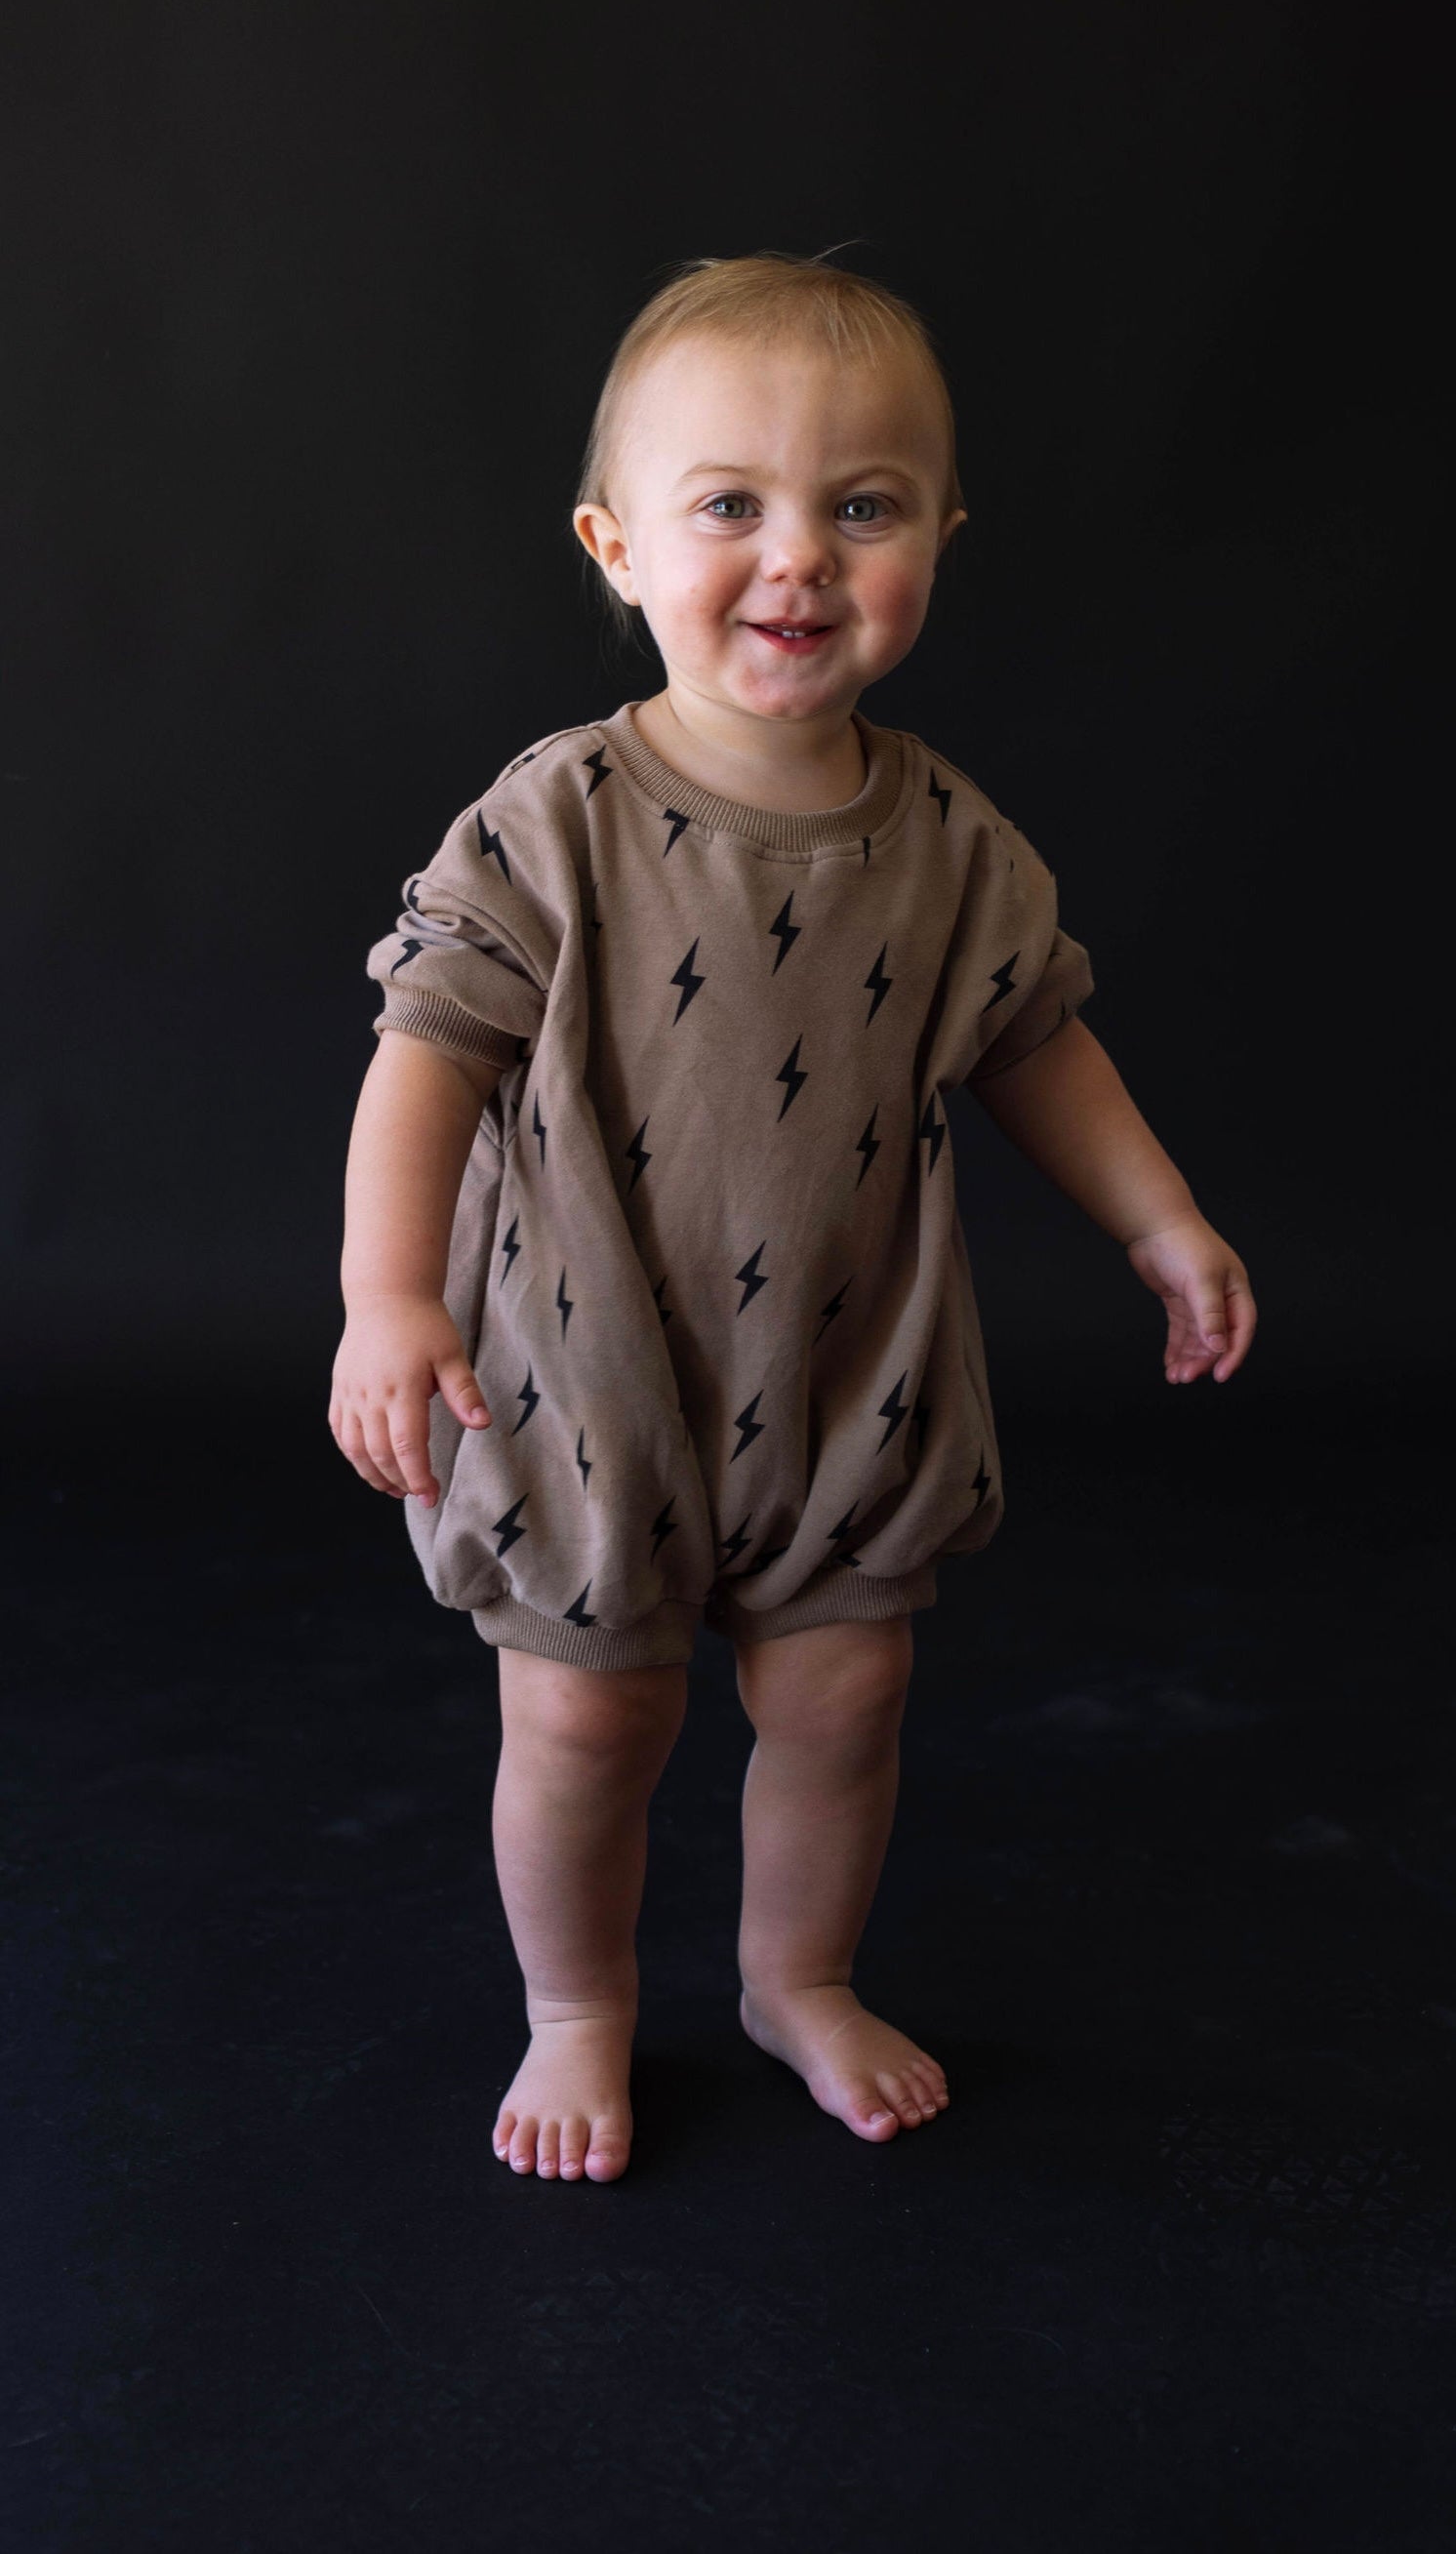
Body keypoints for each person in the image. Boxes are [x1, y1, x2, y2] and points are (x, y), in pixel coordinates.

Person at [329, 250, 1257, 2187]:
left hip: (844, 1366)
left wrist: (1155, 1216)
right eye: (728, 504)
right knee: (591, 1723)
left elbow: (1034, 1043)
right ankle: (577, 2003)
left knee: (845, 1692)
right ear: (613, 545)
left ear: (936, 538)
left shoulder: (944, 839)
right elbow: (425, 1050)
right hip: (584, 1374)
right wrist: (384, 1297)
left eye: (862, 506)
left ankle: (791, 1974)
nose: (798, 557)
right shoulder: (553, 819)